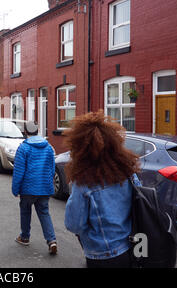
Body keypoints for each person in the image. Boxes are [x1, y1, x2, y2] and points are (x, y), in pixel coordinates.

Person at [64, 111, 141, 268]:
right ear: (114, 144)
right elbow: (138, 205)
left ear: (80, 149)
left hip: (102, 255)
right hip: (131, 247)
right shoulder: (128, 173)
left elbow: (73, 224)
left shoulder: (84, 184)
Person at [12, 121, 58, 255]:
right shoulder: (48, 147)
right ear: (37, 131)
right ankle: (52, 241)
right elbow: (52, 169)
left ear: (25, 132)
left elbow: (19, 171)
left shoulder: (24, 148)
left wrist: (15, 189)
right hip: (44, 187)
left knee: (25, 211)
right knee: (44, 213)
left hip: (28, 188)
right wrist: (49, 184)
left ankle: (25, 237)